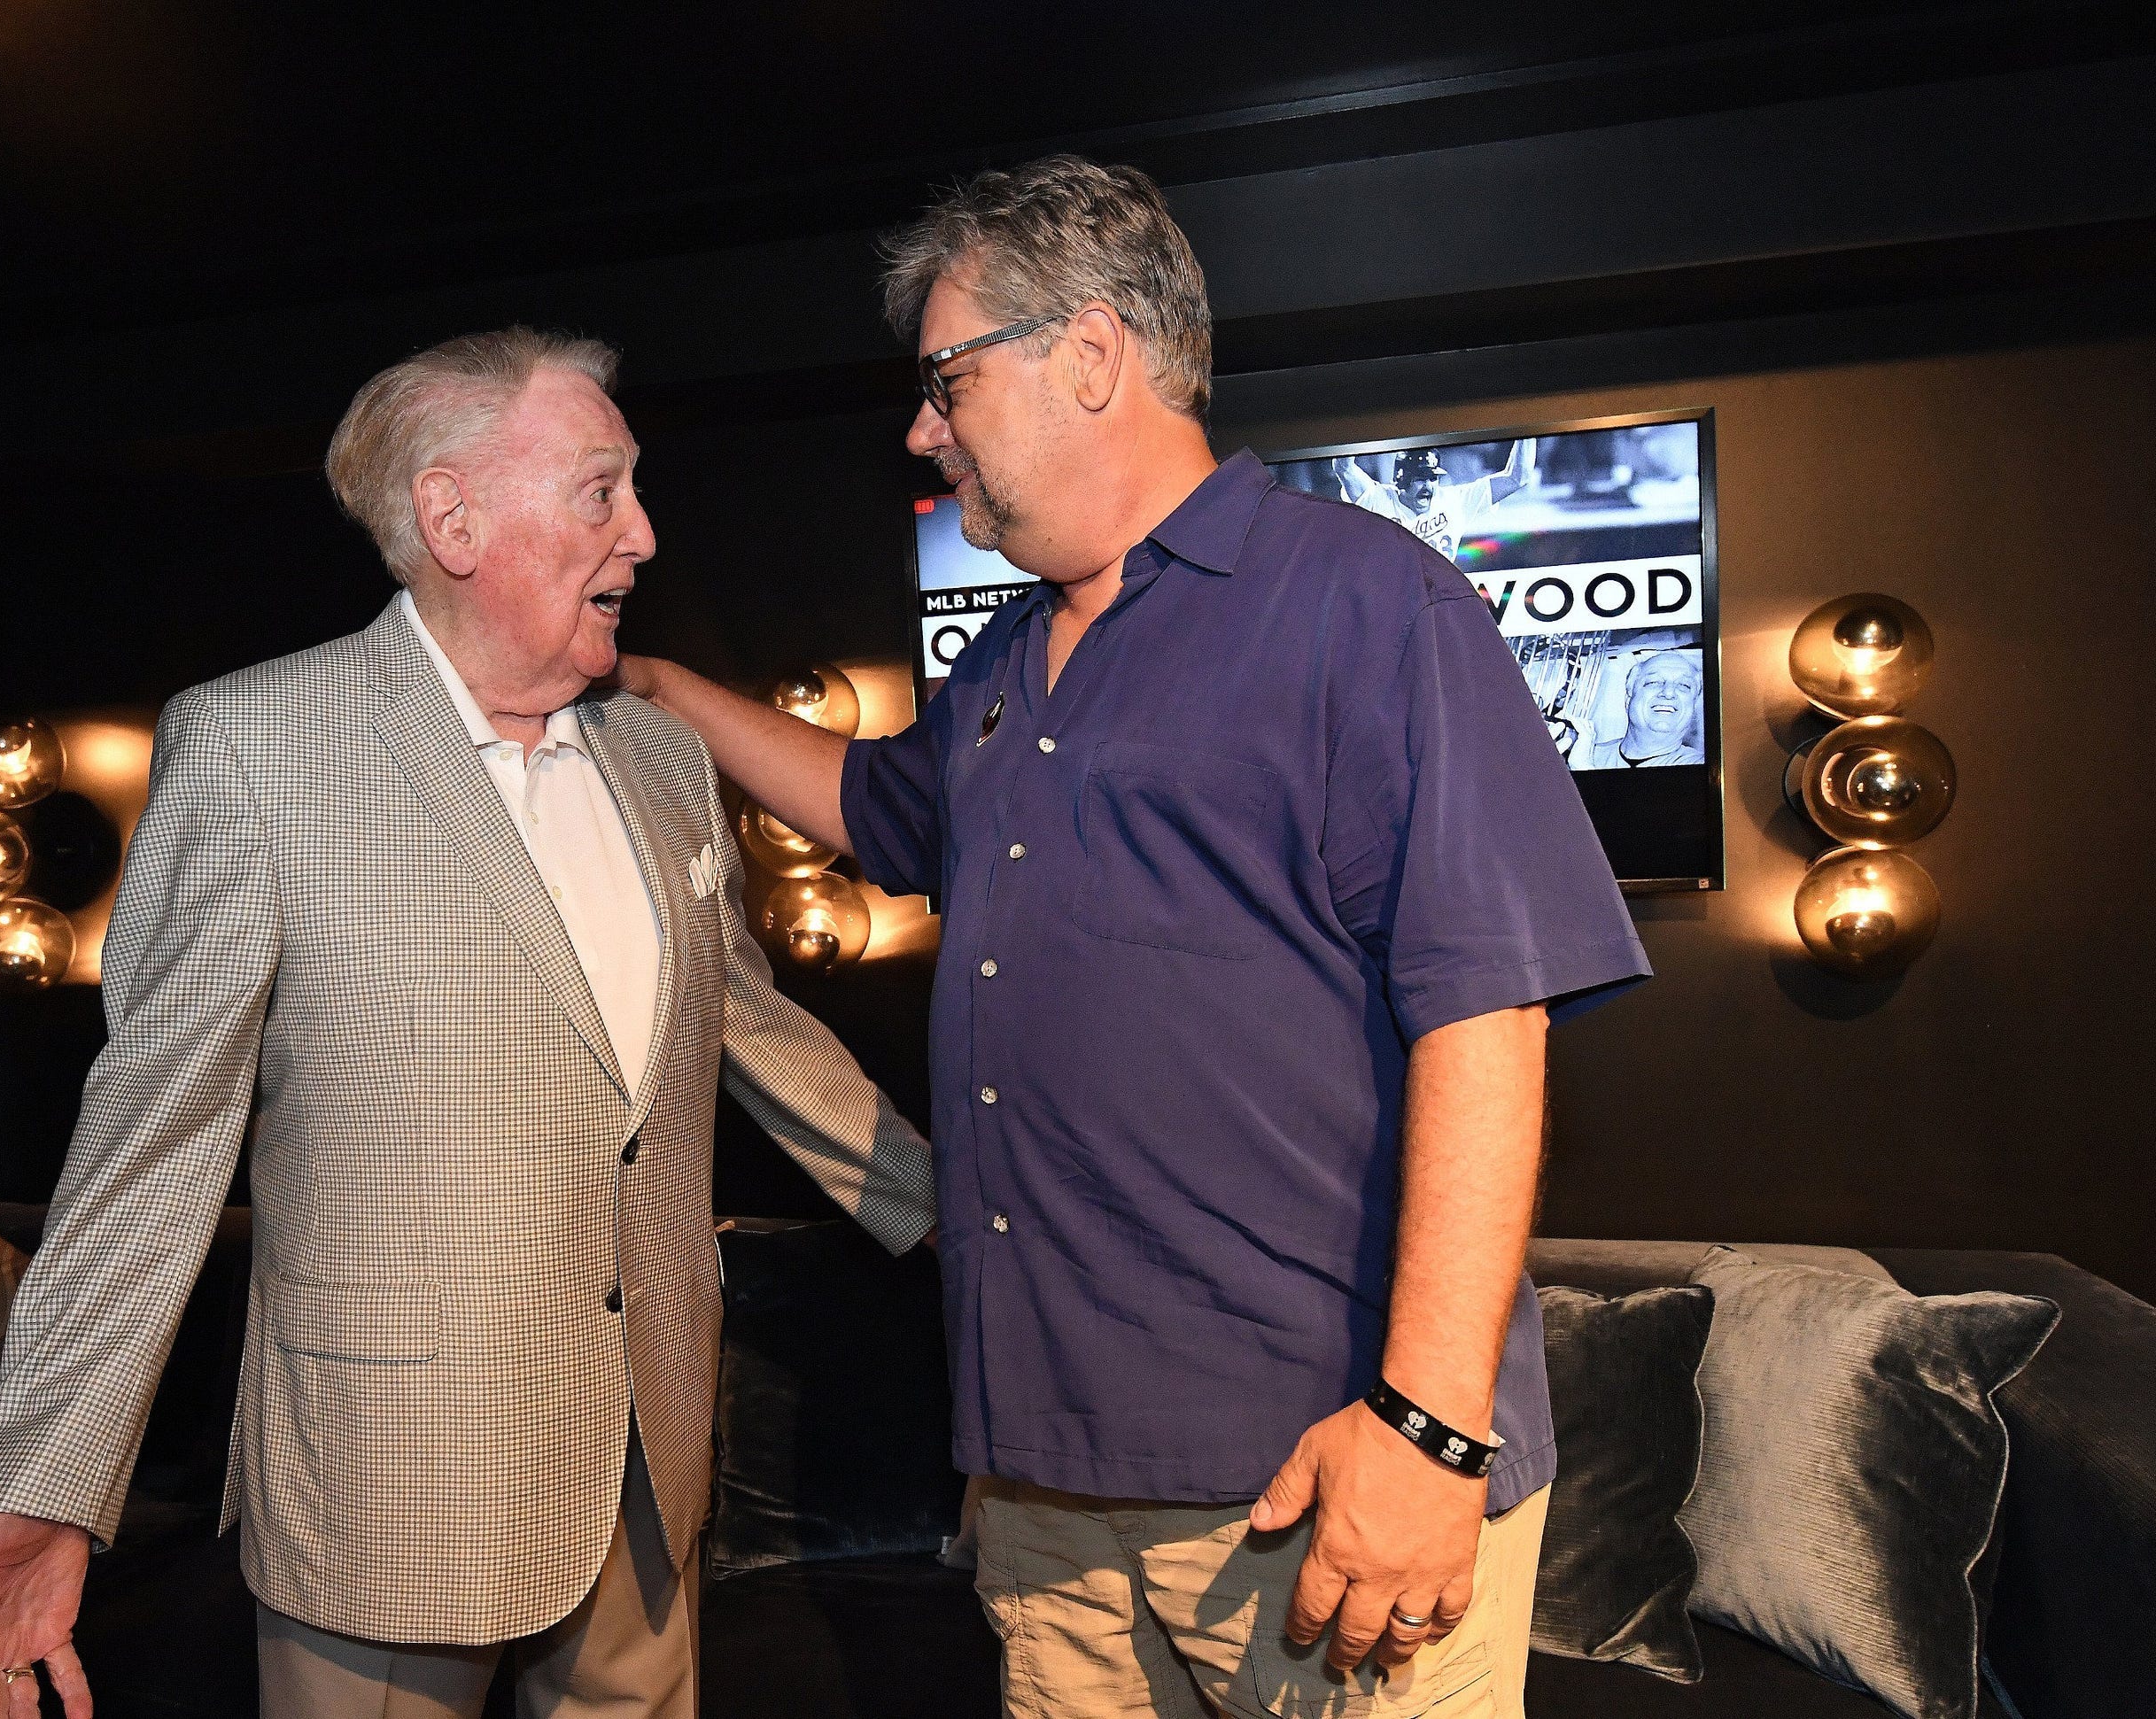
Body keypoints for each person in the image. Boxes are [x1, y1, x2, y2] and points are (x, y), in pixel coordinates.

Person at [617, 156, 1650, 1719]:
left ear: (1088, 356)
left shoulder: (1368, 607)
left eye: (945, 382)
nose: (921, 427)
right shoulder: (1012, 662)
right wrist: (654, 693)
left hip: (1308, 1486)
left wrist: (1429, 1431)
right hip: (1045, 1491)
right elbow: (871, 804)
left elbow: (1486, 1018)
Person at [0, 328, 935, 1719]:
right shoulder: (257, 751)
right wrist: (45, 1488)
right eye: (601, 491)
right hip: (390, 1483)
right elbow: (151, 1151)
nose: (644, 534)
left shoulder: (663, 757)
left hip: (645, 1454)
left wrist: (963, 1213)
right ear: (454, 518)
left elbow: (753, 1026)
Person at [1336, 438, 1535, 564]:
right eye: (1421, 479)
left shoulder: (1454, 501)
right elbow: (1344, 468)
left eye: (1433, 478)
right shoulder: (1377, 500)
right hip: (1391, 604)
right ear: (1402, 481)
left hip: (1438, 602)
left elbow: (1518, 477)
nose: (1428, 486)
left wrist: (1528, 424)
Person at [1588, 650, 1705, 768]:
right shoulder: (1587, 754)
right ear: (1628, 699)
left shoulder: (1704, 765)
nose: (1669, 693)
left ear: (1694, 706)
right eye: (1653, 682)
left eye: (1684, 685)